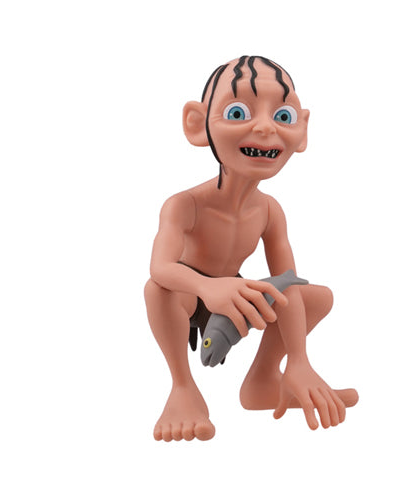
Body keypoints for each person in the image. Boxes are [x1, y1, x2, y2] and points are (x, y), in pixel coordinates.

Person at [144, 56, 358, 442]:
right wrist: (209, 287)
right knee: (157, 290)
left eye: (283, 116)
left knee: (317, 296)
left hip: (236, 294)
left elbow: (288, 283)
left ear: (302, 130)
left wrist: (300, 360)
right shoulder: (184, 205)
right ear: (197, 124)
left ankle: (263, 381)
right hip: (190, 296)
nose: (265, 127)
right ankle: (182, 388)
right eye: (238, 112)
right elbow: (160, 266)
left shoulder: (270, 211)